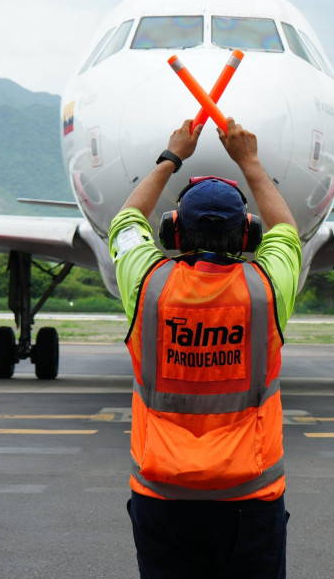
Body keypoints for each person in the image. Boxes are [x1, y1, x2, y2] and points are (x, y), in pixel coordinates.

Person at [106, 117, 302, 578]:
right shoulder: (267, 289)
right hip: (250, 500)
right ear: (248, 235)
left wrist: (173, 156)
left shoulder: (147, 286)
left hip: (163, 500)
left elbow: (126, 223)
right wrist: (249, 162)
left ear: (172, 231)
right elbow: (287, 232)